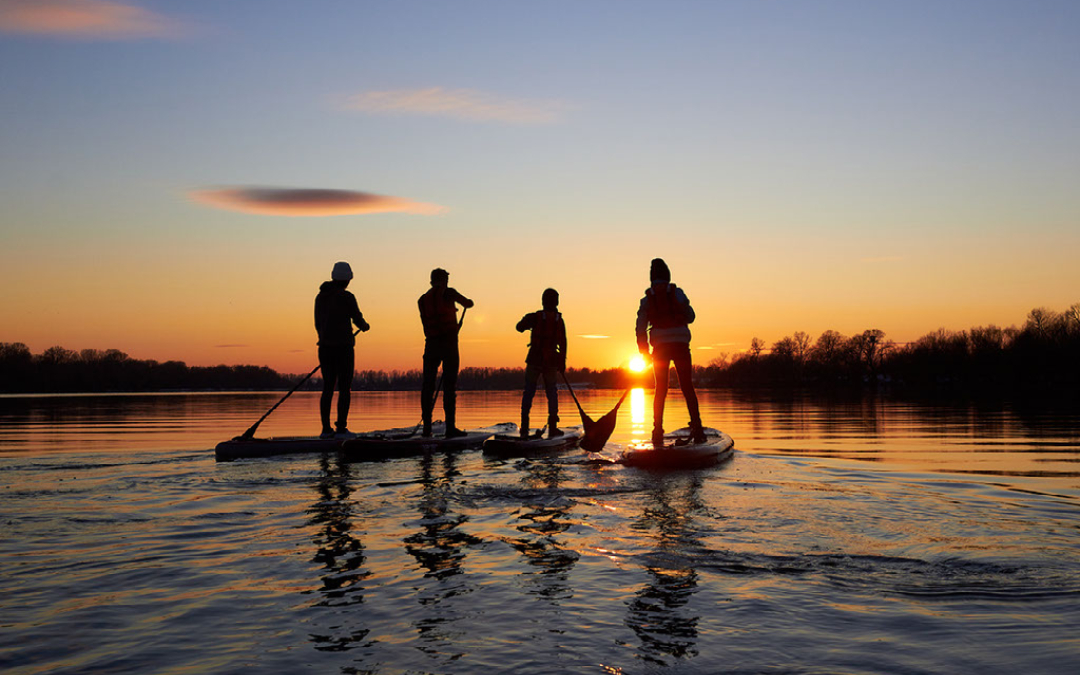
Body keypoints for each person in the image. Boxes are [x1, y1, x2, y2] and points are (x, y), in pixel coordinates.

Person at [635, 258, 705, 446]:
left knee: (661, 389)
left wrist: (644, 351)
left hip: (660, 347)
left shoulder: (646, 300)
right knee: (687, 386)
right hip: (681, 343)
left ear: (652, 279)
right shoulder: (678, 294)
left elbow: (640, 327)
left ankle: (657, 432)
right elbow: (691, 317)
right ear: (668, 277)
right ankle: (698, 429)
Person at [315, 261, 370, 439]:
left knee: (328, 387)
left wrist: (325, 338)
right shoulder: (347, 297)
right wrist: (365, 326)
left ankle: (325, 430)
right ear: (347, 279)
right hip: (344, 349)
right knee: (345, 388)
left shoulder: (320, 297)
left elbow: (317, 323)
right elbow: (358, 320)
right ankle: (340, 429)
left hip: (324, 348)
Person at [418, 268, 474, 438]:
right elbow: (468, 303)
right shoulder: (449, 293)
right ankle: (450, 428)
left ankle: (427, 428)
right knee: (449, 387)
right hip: (448, 344)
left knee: (427, 386)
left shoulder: (422, 300)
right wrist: (468, 301)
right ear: (443, 280)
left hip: (431, 345)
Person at [516, 288, 567, 439]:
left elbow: (519, 327)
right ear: (556, 302)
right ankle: (553, 428)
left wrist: (527, 322)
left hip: (535, 359)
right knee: (551, 392)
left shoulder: (534, 317)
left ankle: (524, 428)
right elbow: (563, 343)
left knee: (529, 392)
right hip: (550, 361)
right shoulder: (559, 320)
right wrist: (562, 361)